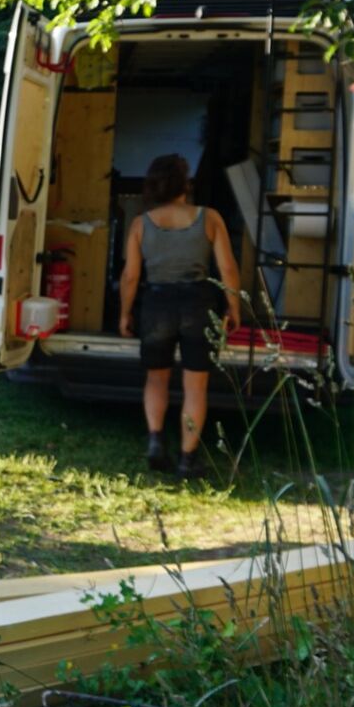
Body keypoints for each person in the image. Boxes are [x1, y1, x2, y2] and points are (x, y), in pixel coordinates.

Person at [118, 154, 243, 477]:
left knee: (156, 377)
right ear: (186, 184)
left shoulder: (141, 224)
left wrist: (125, 313)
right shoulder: (210, 218)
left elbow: (131, 276)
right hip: (198, 304)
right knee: (195, 386)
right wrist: (234, 306)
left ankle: (156, 441)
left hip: (157, 303)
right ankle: (188, 458)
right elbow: (227, 268)